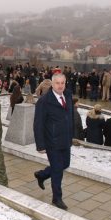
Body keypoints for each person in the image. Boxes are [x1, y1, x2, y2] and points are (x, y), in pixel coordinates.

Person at [33, 72, 74, 210]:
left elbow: (70, 116)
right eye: (57, 83)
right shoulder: (44, 101)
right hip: (52, 141)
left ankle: (42, 174)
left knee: (65, 164)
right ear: (52, 83)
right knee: (57, 169)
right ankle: (57, 198)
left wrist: (71, 135)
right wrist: (40, 145)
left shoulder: (67, 95)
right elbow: (38, 124)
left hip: (65, 139)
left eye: (63, 83)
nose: (60, 86)